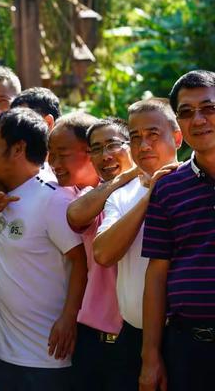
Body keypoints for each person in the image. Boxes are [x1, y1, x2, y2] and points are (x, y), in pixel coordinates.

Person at [0, 108, 87, 391]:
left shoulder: (54, 200)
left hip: (49, 357)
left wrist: (68, 318)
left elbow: (80, 262)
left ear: (18, 148)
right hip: (5, 353)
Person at [93, 98, 182, 391]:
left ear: (177, 137)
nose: (143, 145)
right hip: (133, 336)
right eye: (135, 137)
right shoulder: (122, 194)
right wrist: (150, 195)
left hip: (187, 338)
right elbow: (103, 253)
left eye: (153, 135)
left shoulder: (199, 187)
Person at [140, 70, 215, 391]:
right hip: (187, 349)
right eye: (186, 112)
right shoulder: (168, 188)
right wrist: (150, 357)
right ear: (179, 125)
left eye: (209, 108)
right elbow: (156, 275)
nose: (198, 119)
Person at [65, 117, 137, 391]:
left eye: (112, 145)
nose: (105, 155)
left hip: (136, 338)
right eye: (95, 149)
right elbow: (75, 215)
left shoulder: (152, 191)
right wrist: (124, 178)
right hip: (92, 340)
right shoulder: (91, 196)